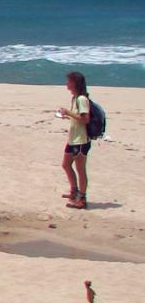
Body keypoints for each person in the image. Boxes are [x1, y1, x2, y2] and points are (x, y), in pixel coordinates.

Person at [57, 71, 91, 210]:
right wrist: (67, 116)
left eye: (68, 81)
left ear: (75, 83)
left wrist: (68, 112)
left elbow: (85, 119)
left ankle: (82, 199)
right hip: (73, 139)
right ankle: (74, 191)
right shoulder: (75, 98)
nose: (66, 83)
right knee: (65, 165)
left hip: (81, 140)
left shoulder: (81, 99)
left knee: (80, 169)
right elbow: (78, 118)